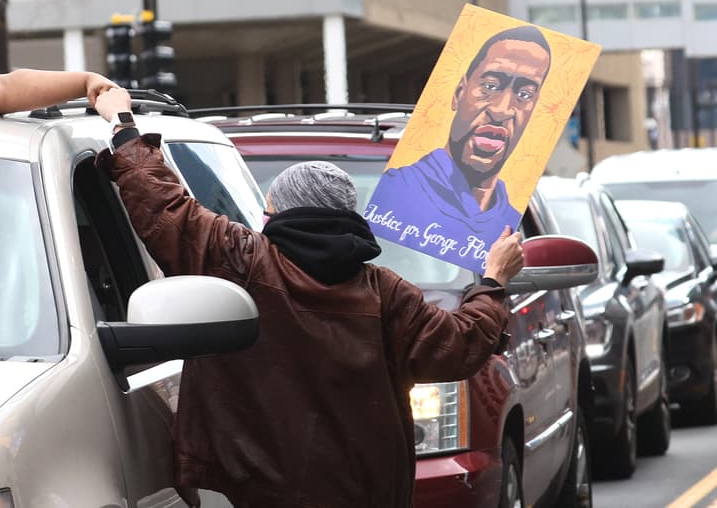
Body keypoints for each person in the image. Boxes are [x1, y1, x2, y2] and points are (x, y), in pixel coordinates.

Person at [93, 86, 525, 508]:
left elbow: (162, 205)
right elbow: (461, 344)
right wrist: (493, 280)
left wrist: (124, 125)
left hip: (248, 490)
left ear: (276, 214)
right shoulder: (387, 293)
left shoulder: (239, 258)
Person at [369, 25, 552, 252]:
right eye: (490, 86)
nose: (502, 110)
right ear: (459, 93)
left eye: (524, 94)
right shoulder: (396, 191)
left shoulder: (512, 220)